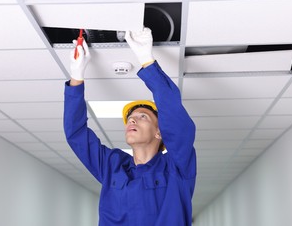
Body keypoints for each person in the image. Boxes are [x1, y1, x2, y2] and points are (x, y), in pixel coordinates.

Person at [63, 27, 197, 226]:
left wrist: (146, 60)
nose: (132, 120)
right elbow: (76, 135)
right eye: (130, 118)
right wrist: (76, 77)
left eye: (142, 116)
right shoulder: (112, 165)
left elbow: (176, 118)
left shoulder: (176, 167)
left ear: (159, 132)